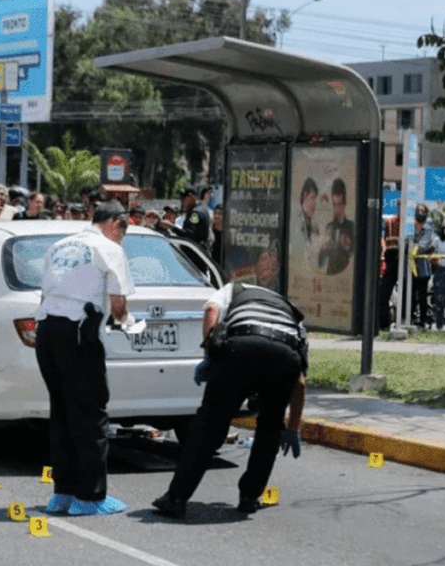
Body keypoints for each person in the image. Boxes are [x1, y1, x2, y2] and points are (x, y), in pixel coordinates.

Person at [152, 281, 307, 519]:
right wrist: (292, 428)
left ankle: (176, 498)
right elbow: (300, 382)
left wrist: (209, 356)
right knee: (270, 429)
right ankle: (249, 498)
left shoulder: (234, 289)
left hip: (240, 350)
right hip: (284, 357)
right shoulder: (292, 315)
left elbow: (211, 311)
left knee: (209, 425)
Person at [34, 201, 135, 516]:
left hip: (47, 330)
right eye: (124, 230)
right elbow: (118, 304)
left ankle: (62, 494)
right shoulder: (108, 248)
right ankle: (90, 498)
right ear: (114, 224)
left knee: (62, 413)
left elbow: (44, 293)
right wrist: (128, 324)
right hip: (78, 334)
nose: (123, 238)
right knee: (90, 416)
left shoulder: (60, 245)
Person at [318, 178, 354, 276]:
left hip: (345, 275)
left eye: (340, 204)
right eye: (334, 205)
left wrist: (347, 245)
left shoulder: (351, 227)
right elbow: (320, 262)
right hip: (330, 275)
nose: (337, 209)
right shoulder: (329, 226)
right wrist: (324, 246)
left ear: (344, 204)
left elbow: (355, 254)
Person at [410, 204, 437, 328]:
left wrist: (415, 248)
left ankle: (423, 321)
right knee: (410, 294)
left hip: (423, 268)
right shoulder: (409, 227)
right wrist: (414, 248)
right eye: (418, 211)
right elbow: (406, 242)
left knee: (422, 295)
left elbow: (423, 246)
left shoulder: (429, 229)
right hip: (409, 268)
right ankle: (409, 319)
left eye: (423, 211)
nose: (420, 213)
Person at [174, 185, 212, 252]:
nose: (182, 202)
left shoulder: (195, 213)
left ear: (190, 196)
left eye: (183, 199)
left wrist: (171, 227)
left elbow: (190, 235)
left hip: (195, 254)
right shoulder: (202, 208)